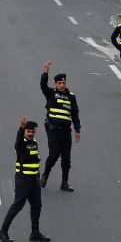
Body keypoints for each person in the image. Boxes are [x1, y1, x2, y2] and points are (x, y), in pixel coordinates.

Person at [0, 118, 51, 242]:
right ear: (24, 132)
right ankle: (3, 231)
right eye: (28, 131)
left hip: (34, 180)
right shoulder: (20, 143)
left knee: (37, 205)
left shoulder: (34, 143)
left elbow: (35, 162)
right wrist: (21, 128)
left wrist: (38, 178)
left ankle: (35, 232)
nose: (30, 133)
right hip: (23, 179)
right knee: (18, 205)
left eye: (32, 132)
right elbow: (19, 138)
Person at [39, 61, 80, 192]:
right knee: (54, 155)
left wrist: (77, 130)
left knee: (66, 159)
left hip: (66, 131)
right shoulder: (51, 93)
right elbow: (42, 85)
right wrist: (45, 72)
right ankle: (45, 175)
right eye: (59, 83)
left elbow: (75, 114)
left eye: (64, 83)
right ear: (55, 84)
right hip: (53, 130)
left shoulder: (71, 97)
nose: (62, 85)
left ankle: (64, 183)